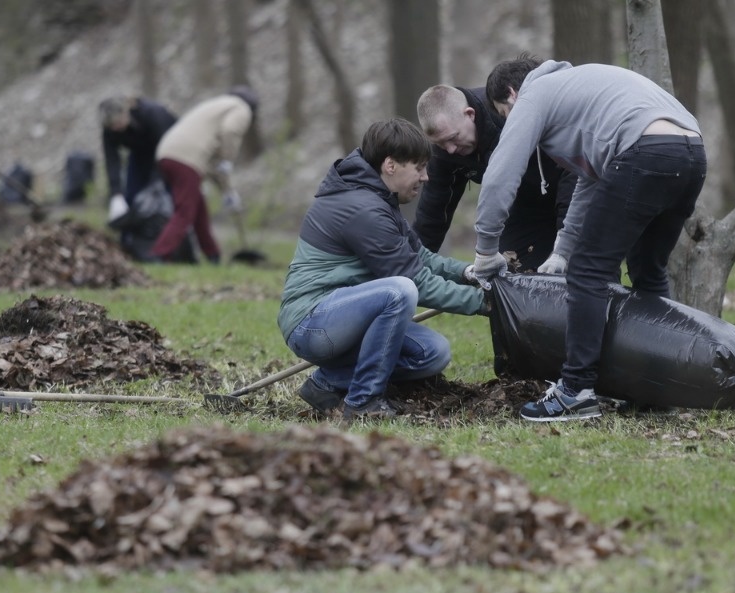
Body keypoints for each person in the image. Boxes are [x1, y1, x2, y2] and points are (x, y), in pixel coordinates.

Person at [472, 55, 706, 422]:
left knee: (588, 273)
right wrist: (562, 250)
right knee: (648, 270)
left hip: (645, 151)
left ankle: (575, 391)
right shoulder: (580, 89)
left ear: (512, 95)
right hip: (690, 152)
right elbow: (590, 177)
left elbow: (501, 175)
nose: (509, 121)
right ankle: (659, 389)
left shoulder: (536, 94)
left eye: (504, 114)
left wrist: (486, 250)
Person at [277, 117, 488, 419]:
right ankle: (363, 401)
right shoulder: (363, 209)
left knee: (432, 353)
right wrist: (484, 303)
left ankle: (326, 383)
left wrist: (468, 273)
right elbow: (415, 278)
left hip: (344, 317)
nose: (426, 177)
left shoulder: (376, 197)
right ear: (391, 165)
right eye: (418, 167)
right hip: (313, 323)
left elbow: (421, 257)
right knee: (398, 290)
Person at [415, 84, 576, 271]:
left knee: (583, 269)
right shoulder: (445, 151)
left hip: (572, 187)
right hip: (526, 203)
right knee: (509, 273)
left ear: (470, 114)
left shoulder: (507, 111)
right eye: (440, 143)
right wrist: (411, 266)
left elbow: (573, 169)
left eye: (453, 138)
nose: (450, 149)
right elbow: (433, 212)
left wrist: (565, 240)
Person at [147, 85, 258, 264]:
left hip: (168, 152)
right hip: (185, 158)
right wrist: (228, 159)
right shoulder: (241, 108)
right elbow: (229, 132)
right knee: (185, 211)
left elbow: (215, 165)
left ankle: (212, 255)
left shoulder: (217, 105)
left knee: (198, 209)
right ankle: (158, 254)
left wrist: (227, 192)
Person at [98, 96, 177, 225]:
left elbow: (166, 148)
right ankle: (135, 237)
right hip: (139, 154)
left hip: (169, 151)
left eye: (117, 124)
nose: (115, 129)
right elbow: (112, 160)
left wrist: (156, 180)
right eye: (112, 127)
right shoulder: (110, 129)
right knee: (133, 196)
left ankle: (170, 232)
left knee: (165, 196)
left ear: (125, 113)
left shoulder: (151, 114)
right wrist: (116, 193)